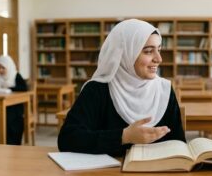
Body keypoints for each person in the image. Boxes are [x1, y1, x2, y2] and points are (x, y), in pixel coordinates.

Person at [58, 19, 185, 156]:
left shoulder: (164, 90)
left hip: (158, 175)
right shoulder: (97, 90)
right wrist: (124, 137)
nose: (159, 59)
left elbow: (178, 144)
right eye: (148, 51)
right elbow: (67, 140)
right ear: (125, 54)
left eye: (159, 49)